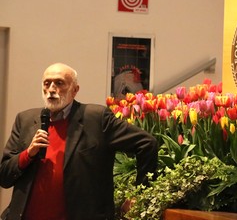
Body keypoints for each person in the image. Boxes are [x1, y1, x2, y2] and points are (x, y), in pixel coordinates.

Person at [0, 63, 158, 220]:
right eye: (47, 83)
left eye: (59, 83)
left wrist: (140, 195)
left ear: (75, 90)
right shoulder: (25, 120)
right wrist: (28, 153)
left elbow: (147, 143)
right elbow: (5, 177)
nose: (51, 89)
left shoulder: (96, 118)